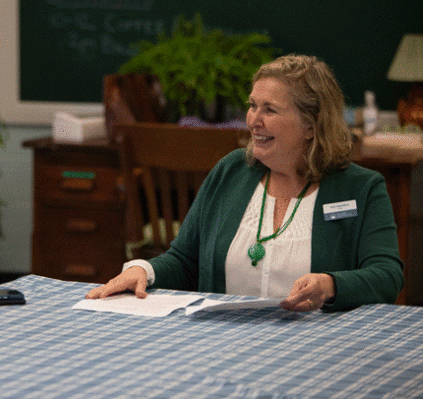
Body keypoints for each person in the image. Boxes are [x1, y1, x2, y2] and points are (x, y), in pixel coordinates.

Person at [87, 54, 403, 312]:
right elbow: (185, 260)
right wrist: (143, 271)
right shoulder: (231, 172)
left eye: (270, 110)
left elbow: (387, 277)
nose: (253, 120)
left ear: (310, 125)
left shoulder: (361, 188)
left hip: (318, 346)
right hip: (225, 346)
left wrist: (332, 285)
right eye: (253, 105)